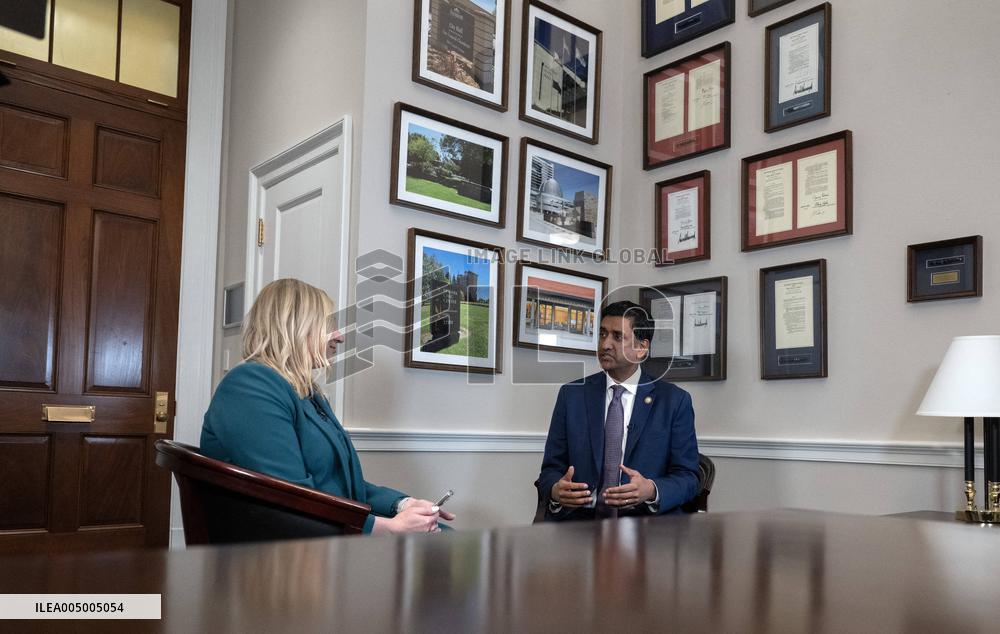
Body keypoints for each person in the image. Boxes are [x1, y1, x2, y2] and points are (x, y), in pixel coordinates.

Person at [201, 278, 454, 534]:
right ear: (294, 327)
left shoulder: (307, 393)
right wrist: (389, 528)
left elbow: (348, 487)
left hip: (324, 530)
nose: (339, 336)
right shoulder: (251, 384)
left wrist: (403, 504)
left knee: (442, 534)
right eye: (328, 325)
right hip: (282, 546)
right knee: (442, 543)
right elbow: (289, 497)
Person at [535, 300, 699, 521]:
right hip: (579, 523)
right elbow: (550, 470)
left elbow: (688, 478)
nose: (605, 344)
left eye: (617, 337)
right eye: (602, 334)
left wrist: (651, 490)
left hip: (644, 527)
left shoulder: (674, 401)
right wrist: (556, 490)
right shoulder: (571, 395)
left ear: (641, 348)